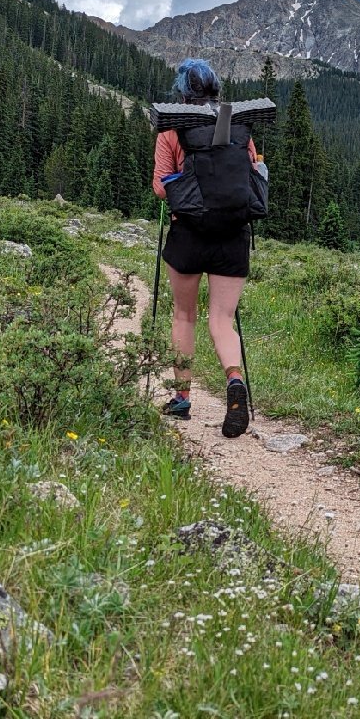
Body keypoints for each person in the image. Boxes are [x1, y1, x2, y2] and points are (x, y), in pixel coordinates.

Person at [152, 58, 255, 438]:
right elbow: (251, 173)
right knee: (222, 320)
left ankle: (181, 399)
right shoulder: (239, 126)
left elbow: (161, 187)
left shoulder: (172, 130)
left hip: (189, 234)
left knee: (184, 315)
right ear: (215, 89)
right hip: (232, 234)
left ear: (182, 91)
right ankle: (233, 381)